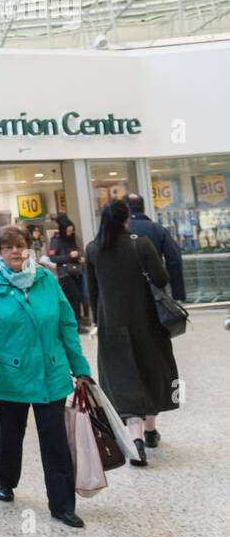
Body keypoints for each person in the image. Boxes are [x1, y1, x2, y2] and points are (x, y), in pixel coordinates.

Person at [0, 224, 92, 528]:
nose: (15, 252)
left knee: (55, 441)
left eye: (19, 246)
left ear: (27, 247)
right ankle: (4, 480)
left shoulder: (46, 278)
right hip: (9, 374)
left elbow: (66, 325)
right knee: (9, 434)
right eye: (7, 248)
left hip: (52, 373)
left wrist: (81, 367)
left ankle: (62, 506)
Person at [86, 200, 179, 467]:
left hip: (112, 326)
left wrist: (100, 322)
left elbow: (92, 293)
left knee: (124, 379)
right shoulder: (141, 244)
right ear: (127, 218)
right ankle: (150, 432)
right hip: (147, 323)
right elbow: (161, 279)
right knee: (151, 372)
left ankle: (135, 439)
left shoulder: (93, 250)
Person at [124, 193, 186, 302]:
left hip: (125, 294)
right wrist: (178, 294)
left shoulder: (115, 232)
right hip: (155, 292)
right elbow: (174, 260)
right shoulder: (156, 229)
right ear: (143, 208)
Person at [48, 214, 90, 333]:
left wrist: (80, 257)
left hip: (76, 271)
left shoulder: (73, 238)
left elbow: (80, 249)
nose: (70, 233)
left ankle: (78, 322)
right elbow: (52, 257)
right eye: (68, 231)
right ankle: (74, 324)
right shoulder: (56, 240)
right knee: (74, 298)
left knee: (80, 297)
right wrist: (69, 256)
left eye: (72, 231)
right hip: (65, 274)